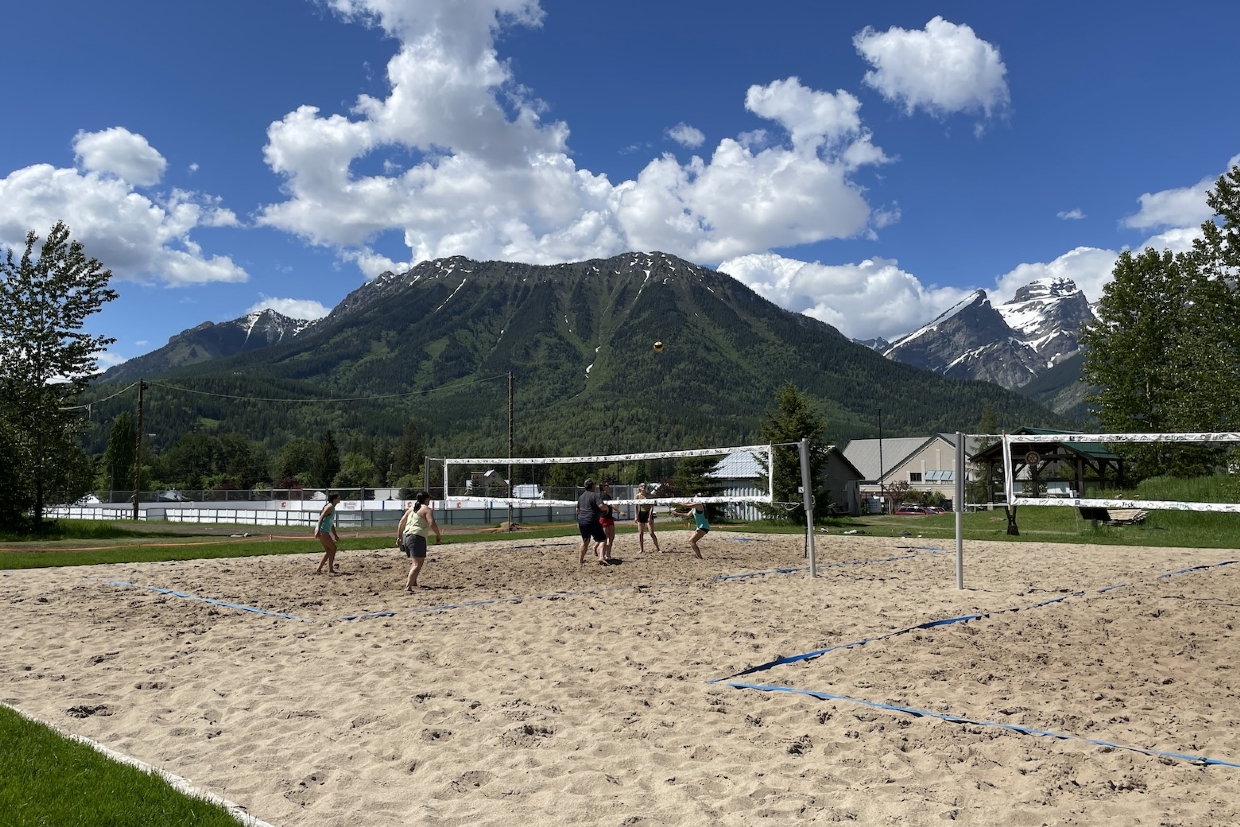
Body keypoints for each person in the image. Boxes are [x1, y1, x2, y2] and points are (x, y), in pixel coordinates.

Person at [397, 491, 441, 590]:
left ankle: (414, 582)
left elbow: (401, 522)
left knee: (415, 561)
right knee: (417, 563)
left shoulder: (411, 509)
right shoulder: (427, 509)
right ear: (426, 499)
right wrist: (438, 534)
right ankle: (408, 586)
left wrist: (399, 537)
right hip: (417, 537)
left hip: (407, 536)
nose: (429, 500)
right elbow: (432, 523)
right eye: (429, 498)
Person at [575, 478, 610, 566]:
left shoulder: (581, 496)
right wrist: (607, 508)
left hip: (582, 520)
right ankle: (601, 557)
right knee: (602, 539)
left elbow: (577, 510)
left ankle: (580, 560)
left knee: (585, 541)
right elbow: (601, 506)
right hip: (592, 520)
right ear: (593, 486)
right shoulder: (595, 495)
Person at [672, 494, 710, 559]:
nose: (693, 498)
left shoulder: (699, 505)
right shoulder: (695, 507)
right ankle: (698, 556)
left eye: (695, 497)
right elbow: (687, 515)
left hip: (703, 527)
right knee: (692, 541)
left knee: (691, 541)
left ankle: (700, 557)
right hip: (701, 527)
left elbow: (686, 505)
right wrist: (677, 514)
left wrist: (676, 500)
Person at [314, 493, 342, 574]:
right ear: (334, 499)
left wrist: (335, 535)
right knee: (333, 548)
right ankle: (330, 569)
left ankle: (319, 569)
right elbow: (321, 517)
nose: (339, 499)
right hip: (322, 530)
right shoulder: (330, 507)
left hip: (324, 530)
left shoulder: (332, 507)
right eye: (338, 498)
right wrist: (318, 530)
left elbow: (331, 523)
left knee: (329, 550)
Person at [634, 483, 661, 553]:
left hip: (648, 513)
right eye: (642, 486)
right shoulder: (637, 496)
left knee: (651, 533)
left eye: (644, 486)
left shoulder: (649, 495)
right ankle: (641, 549)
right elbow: (636, 506)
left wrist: (649, 516)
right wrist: (636, 516)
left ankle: (658, 548)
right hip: (641, 513)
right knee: (640, 533)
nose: (644, 487)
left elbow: (652, 506)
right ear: (639, 488)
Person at [598, 482, 616, 562]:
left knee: (611, 537)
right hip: (604, 518)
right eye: (607, 485)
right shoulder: (602, 495)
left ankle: (608, 554)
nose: (608, 486)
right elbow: (610, 506)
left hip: (609, 518)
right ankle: (602, 554)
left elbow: (609, 507)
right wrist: (620, 511)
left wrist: (612, 516)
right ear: (603, 487)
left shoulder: (607, 496)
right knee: (605, 538)